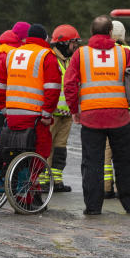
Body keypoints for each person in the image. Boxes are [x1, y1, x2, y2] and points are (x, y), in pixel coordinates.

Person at [64, 15, 130, 215]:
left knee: (92, 163)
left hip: (91, 117)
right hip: (119, 117)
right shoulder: (122, 53)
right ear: (111, 32)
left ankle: (93, 208)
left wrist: (74, 111)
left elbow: (69, 84)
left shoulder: (80, 54)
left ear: (91, 33)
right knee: (124, 162)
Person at [0, 23, 61, 161]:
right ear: (45, 38)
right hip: (35, 117)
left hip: (12, 115)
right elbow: (53, 88)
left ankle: (13, 178)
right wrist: (47, 115)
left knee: (12, 150)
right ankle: (32, 181)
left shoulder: (11, 54)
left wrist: (5, 110)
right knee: (40, 151)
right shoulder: (46, 56)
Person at [103, 20, 130, 199]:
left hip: (103, 107)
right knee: (128, 149)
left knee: (106, 151)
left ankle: (106, 188)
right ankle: (125, 188)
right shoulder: (129, 52)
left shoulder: (96, 53)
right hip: (125, 109)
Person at [50, 24, 83, 192]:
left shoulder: (71, 60)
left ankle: (56, 179)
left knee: (60, 147)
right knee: (47, 147)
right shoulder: (50, 59)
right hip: (52, 113)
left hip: (67, 112)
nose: (75, 46)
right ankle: (42, 180)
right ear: (63, 43)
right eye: (73, 43)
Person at [0, 21, 29, 140]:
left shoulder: (9, 48)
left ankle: (0, 153)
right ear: (22, 38)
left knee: (4, 133)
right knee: (3, 134)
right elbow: (5, 76)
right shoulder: (7, 51)